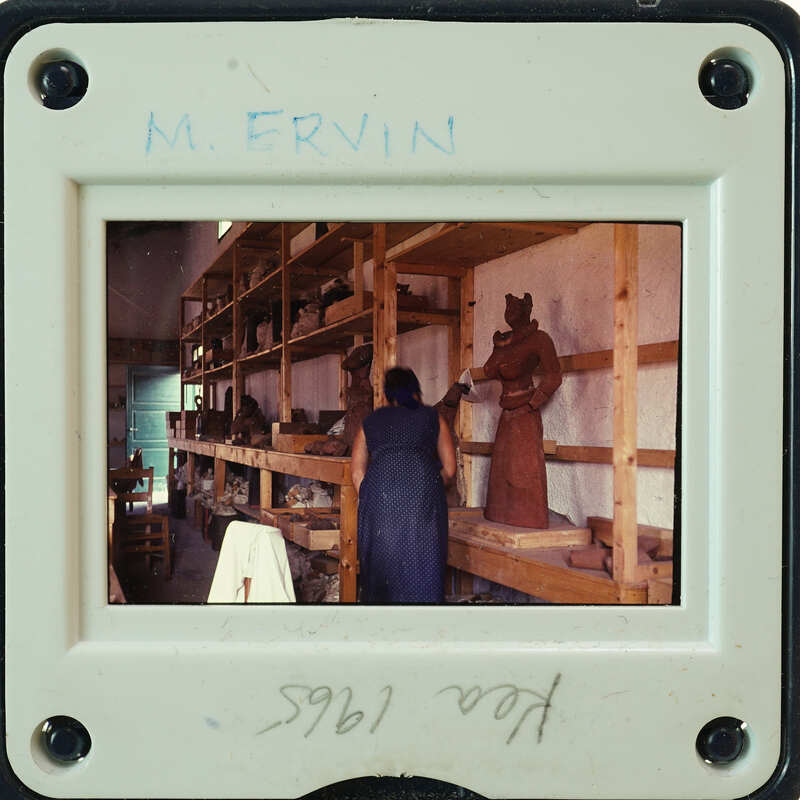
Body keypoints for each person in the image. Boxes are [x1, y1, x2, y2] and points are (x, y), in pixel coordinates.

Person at [350, 367, 457, 603]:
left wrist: (376, 498)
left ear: (387, 394)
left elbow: (357, 473)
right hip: (422, 494)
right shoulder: (432, 417)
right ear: (416, 390)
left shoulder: (370, 421)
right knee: (423, 562)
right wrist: (426, 487)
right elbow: (449, 469)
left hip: (380, 494)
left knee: (382, 565)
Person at [483, 292, 562, 528]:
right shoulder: (504, 343)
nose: (509, 312)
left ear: (527, 310)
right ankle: (502, 514)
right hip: (506, 412)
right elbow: (488, 370)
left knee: (525, 469)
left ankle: (529, 517)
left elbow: (554, 376)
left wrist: (532, 403)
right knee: (502, 469)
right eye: (507, 308)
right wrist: (501, 350)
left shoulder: (539, 339)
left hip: (525, 411)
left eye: (515, 308)